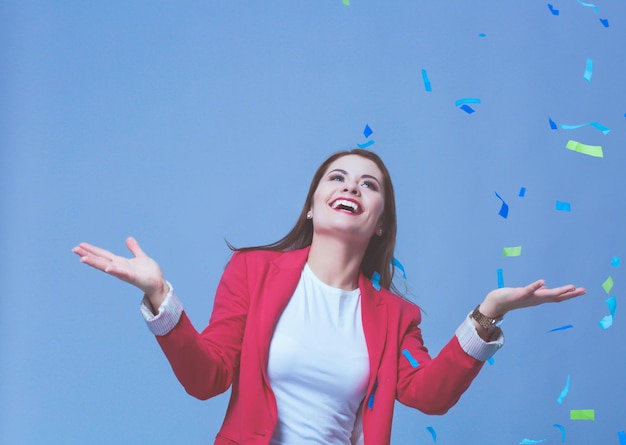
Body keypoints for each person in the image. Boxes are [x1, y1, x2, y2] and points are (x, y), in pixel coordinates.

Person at [72, 149, 586, 445]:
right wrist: (160, 296)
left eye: (370, 185)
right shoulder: (253, 272)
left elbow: (428, 394)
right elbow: (207, 378)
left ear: (379, 220)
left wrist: (488, 314)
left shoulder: (397, 317)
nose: (352, 188)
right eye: (337, 178)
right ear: (315, 206)